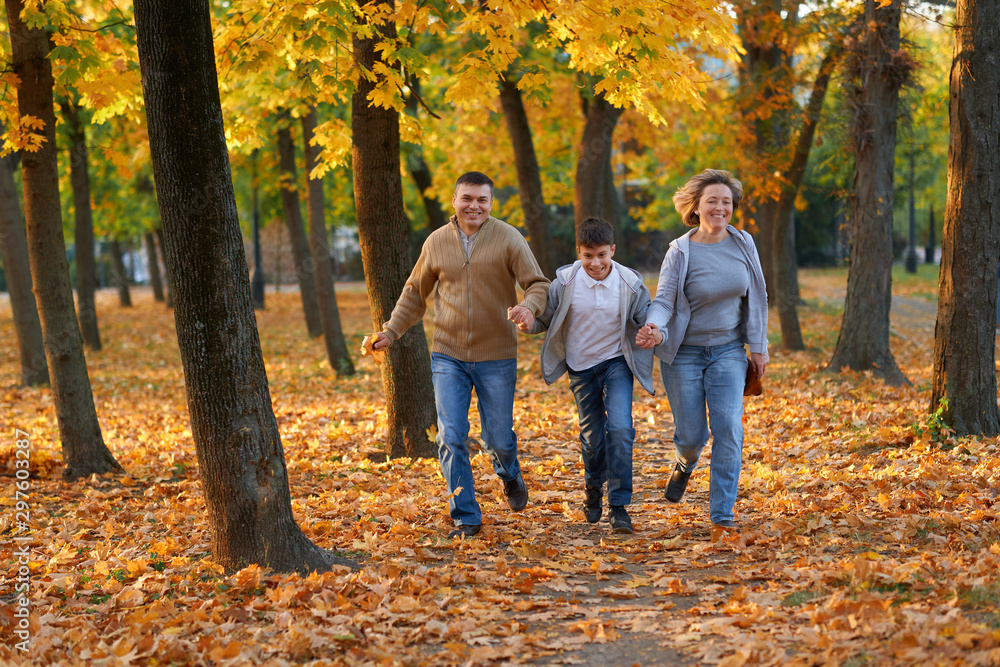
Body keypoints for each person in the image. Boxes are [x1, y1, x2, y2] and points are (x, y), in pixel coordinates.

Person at [370, 171, 550, 538]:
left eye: (482, 199)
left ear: (490, 203)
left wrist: (529, 308)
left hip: (496, 354)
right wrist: (391, 331)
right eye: (467, 198)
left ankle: (509, 473)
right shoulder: (436, 242)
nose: (474, 205)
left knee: (498, 438)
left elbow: (537, 283)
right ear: (454, 200)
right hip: (448, 355)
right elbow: (413, 292)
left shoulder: (508, 237)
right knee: (450, 436)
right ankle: (465, 517)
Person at [636, 169, 768, 529]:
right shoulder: (680, 251)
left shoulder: (744, 243)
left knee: (728, 427)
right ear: (696, 207)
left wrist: (759, 347)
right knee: (693, 436)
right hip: (683, 355)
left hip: (727, 351)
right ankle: (684, 463)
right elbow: (663, 299)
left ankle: (721, 516)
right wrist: (654, 327)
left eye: (726, 202)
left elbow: (757, 296)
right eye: (712, 201)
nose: (720, 208)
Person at [529, 217, 654, 534]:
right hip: (581, 367)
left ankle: (619, 506)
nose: (595, 263)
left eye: (601, 255)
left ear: (612, 250)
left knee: (621, 428)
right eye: (588, 255)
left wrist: (652, 330)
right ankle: (593, 489)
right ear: (578, 252)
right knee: (593, 437)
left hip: (616, 363)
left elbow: (647, 315)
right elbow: (544, 318)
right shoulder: (565, 282)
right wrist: (526, 319)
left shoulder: (628, 282)